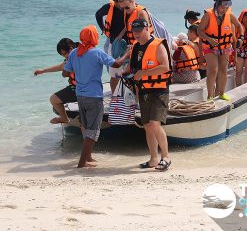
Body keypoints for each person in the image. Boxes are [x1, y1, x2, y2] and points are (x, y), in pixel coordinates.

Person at [62, 25, 128, 168]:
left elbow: (65, 73)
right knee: (93, 131)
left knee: (86, 127)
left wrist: (78, 69)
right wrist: (127, 54)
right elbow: (116, 64)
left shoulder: (73, 53)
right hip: (94, 96)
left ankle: (88, 157)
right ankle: (82, 163)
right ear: (93, 38)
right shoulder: (96, 53)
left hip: (80, 95)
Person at [124, 19, 172, 171]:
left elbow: (165, 67)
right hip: (143, 90)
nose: (136, 33)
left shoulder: (158, 45)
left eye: (139, 30)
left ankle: (166, 157)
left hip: (159, 90)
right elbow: (134, 69)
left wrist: (144, 73)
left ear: (148, 29)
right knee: (147, 126)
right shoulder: (136, 47)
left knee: (155, 123)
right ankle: (153, 159)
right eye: (134, 31)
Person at [197, 0, 243, 100]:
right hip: (210, 47)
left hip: (225, 47)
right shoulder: (208, 15)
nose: (225, 9)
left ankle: (222, 93)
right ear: (217, 4)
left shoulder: (229, 15)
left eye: (227, 7)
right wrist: (209, 39)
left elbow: (239, 25)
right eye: (223, 7)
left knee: (223, 70)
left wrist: (241, 37)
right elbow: (199, 30)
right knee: (213, 70)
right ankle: (210, 96)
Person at [34, 38, 79, 124]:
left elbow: (65, 73)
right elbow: (60, 67)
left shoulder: (75, 59)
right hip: (83, 88)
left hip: (79, 89)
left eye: (65, 53)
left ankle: (64, 118)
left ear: (71, 48)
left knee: (54, 99)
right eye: (62, 55)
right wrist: (43, 71)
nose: (65, 56)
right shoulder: (80, 54)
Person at [95, 0, 126, 93]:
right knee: (114, 72)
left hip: (129, 42)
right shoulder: (109, 7)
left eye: (118, 0)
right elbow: (98, 15)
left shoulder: (131, 8)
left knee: (129, 71)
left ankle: (129, 95)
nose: (117, 3)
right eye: (115, 0)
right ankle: (115, 96)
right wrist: (103, 29)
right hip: (113, 41)